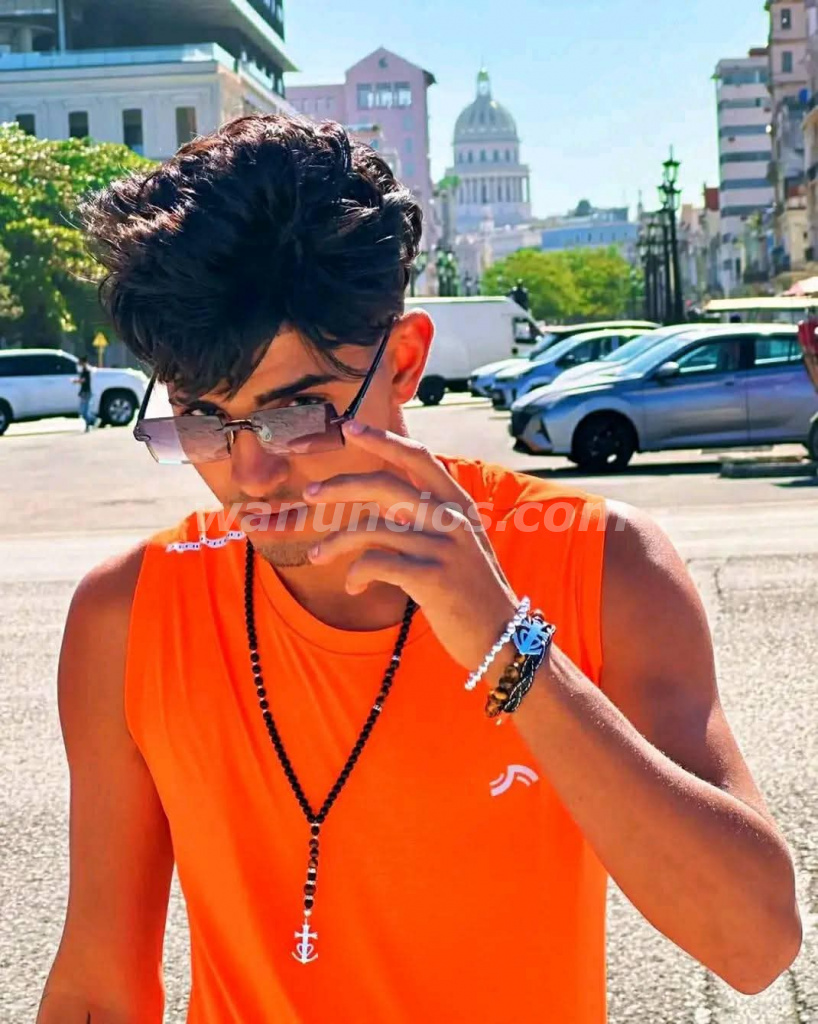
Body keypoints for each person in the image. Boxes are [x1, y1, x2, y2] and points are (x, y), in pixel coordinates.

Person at [37, 115, 801, 1024]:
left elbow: (754, 946)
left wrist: (508, 645)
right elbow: (96, 988)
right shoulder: (129, 614)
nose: (251, 473)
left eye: (296, 414)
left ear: (403, 362)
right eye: (203, 421)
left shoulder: (600, 561)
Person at [73, 356, 93, 432]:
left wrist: (75, 381)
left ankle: (92, 421)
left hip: (86, 393)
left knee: (84, 412)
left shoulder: (86, 370)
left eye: (80, 362)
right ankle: (90, 423)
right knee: (83, 411)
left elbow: (83, 381)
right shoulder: (84, 370)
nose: (78, 363)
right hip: (84, 392)